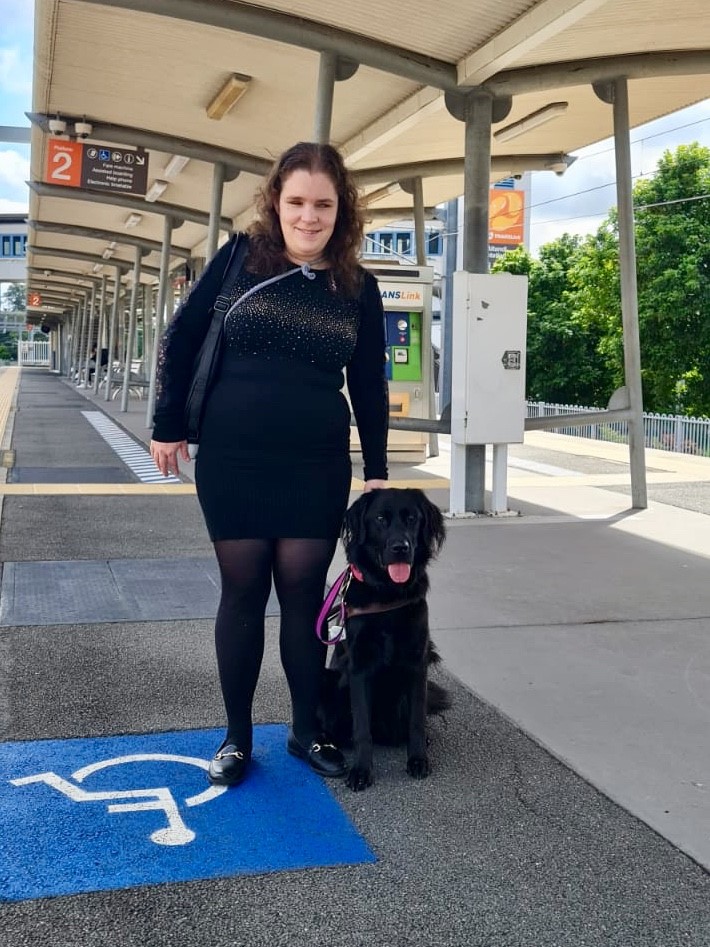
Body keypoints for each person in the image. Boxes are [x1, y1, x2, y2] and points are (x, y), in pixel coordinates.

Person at [150, 142, 389, 788]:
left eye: (323, 205)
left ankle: (305, 731)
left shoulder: (357, 288)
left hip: (315, 463)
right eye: (297, 202)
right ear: (275, 202)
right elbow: (183, 336)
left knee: (305, 597)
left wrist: (377, 467)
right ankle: (236, 736)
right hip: (233, 458)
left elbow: (369, 380)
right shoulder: (237, 261)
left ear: (342, 211)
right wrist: (165, 423)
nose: (309, 217)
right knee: (244, 593)